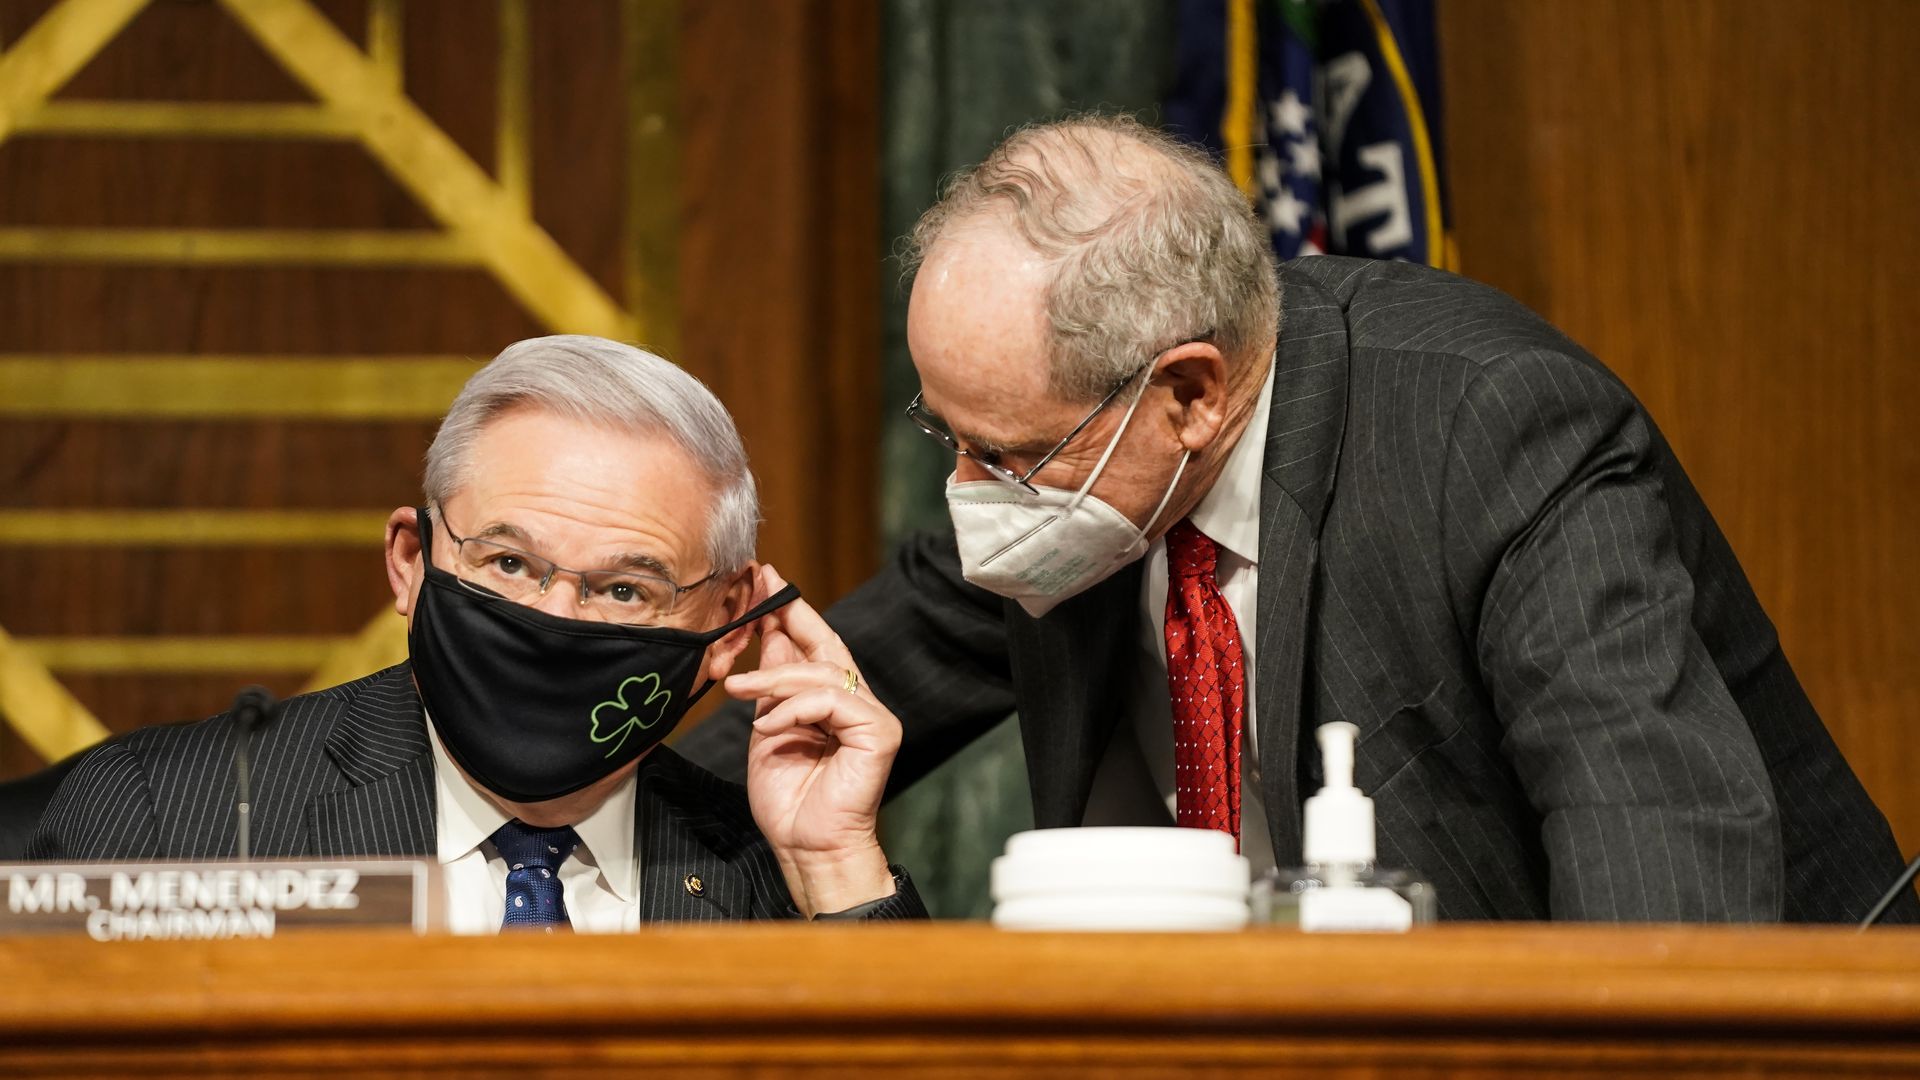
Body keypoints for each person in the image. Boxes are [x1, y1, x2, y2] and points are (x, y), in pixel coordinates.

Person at [683, 114, 1915, 923]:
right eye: (948, 436)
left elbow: (1663, 870)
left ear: (1190, 393)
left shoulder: (1493, 434)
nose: (972, 490)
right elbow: (804, 724)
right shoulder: (1074, 476)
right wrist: (603, 826)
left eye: (1006, 454)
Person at [30, 335, 922, 929]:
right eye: (509, 564)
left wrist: (831, 866)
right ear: (411, 562)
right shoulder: (164, 816)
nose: (554, 618)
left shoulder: (780, 876)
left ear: (726, 628)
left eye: (623, 588)